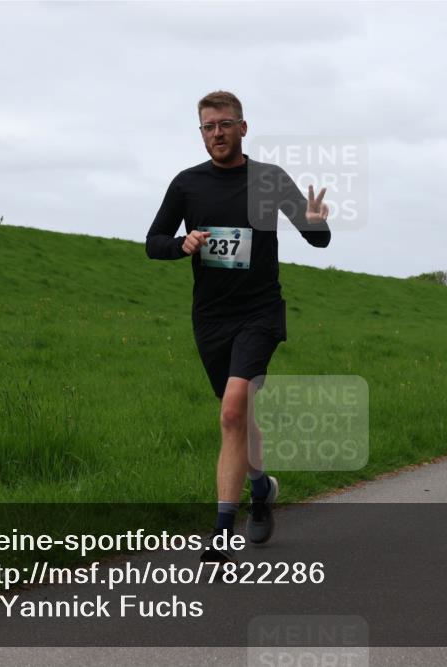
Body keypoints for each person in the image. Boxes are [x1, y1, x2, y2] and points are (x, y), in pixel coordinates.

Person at [146, 91, 331, 563]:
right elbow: (153, 242)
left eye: (225, 124)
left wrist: (315, 221)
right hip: (211, 318)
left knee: (231, 411)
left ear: (243, 128)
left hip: (259, 313)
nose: (217, 134)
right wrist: (181, 244)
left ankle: (222, 532)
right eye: (208, 127)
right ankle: (260, 487)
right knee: (240, 417)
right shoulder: (187, 184)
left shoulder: (269, 179)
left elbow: (318, 239)